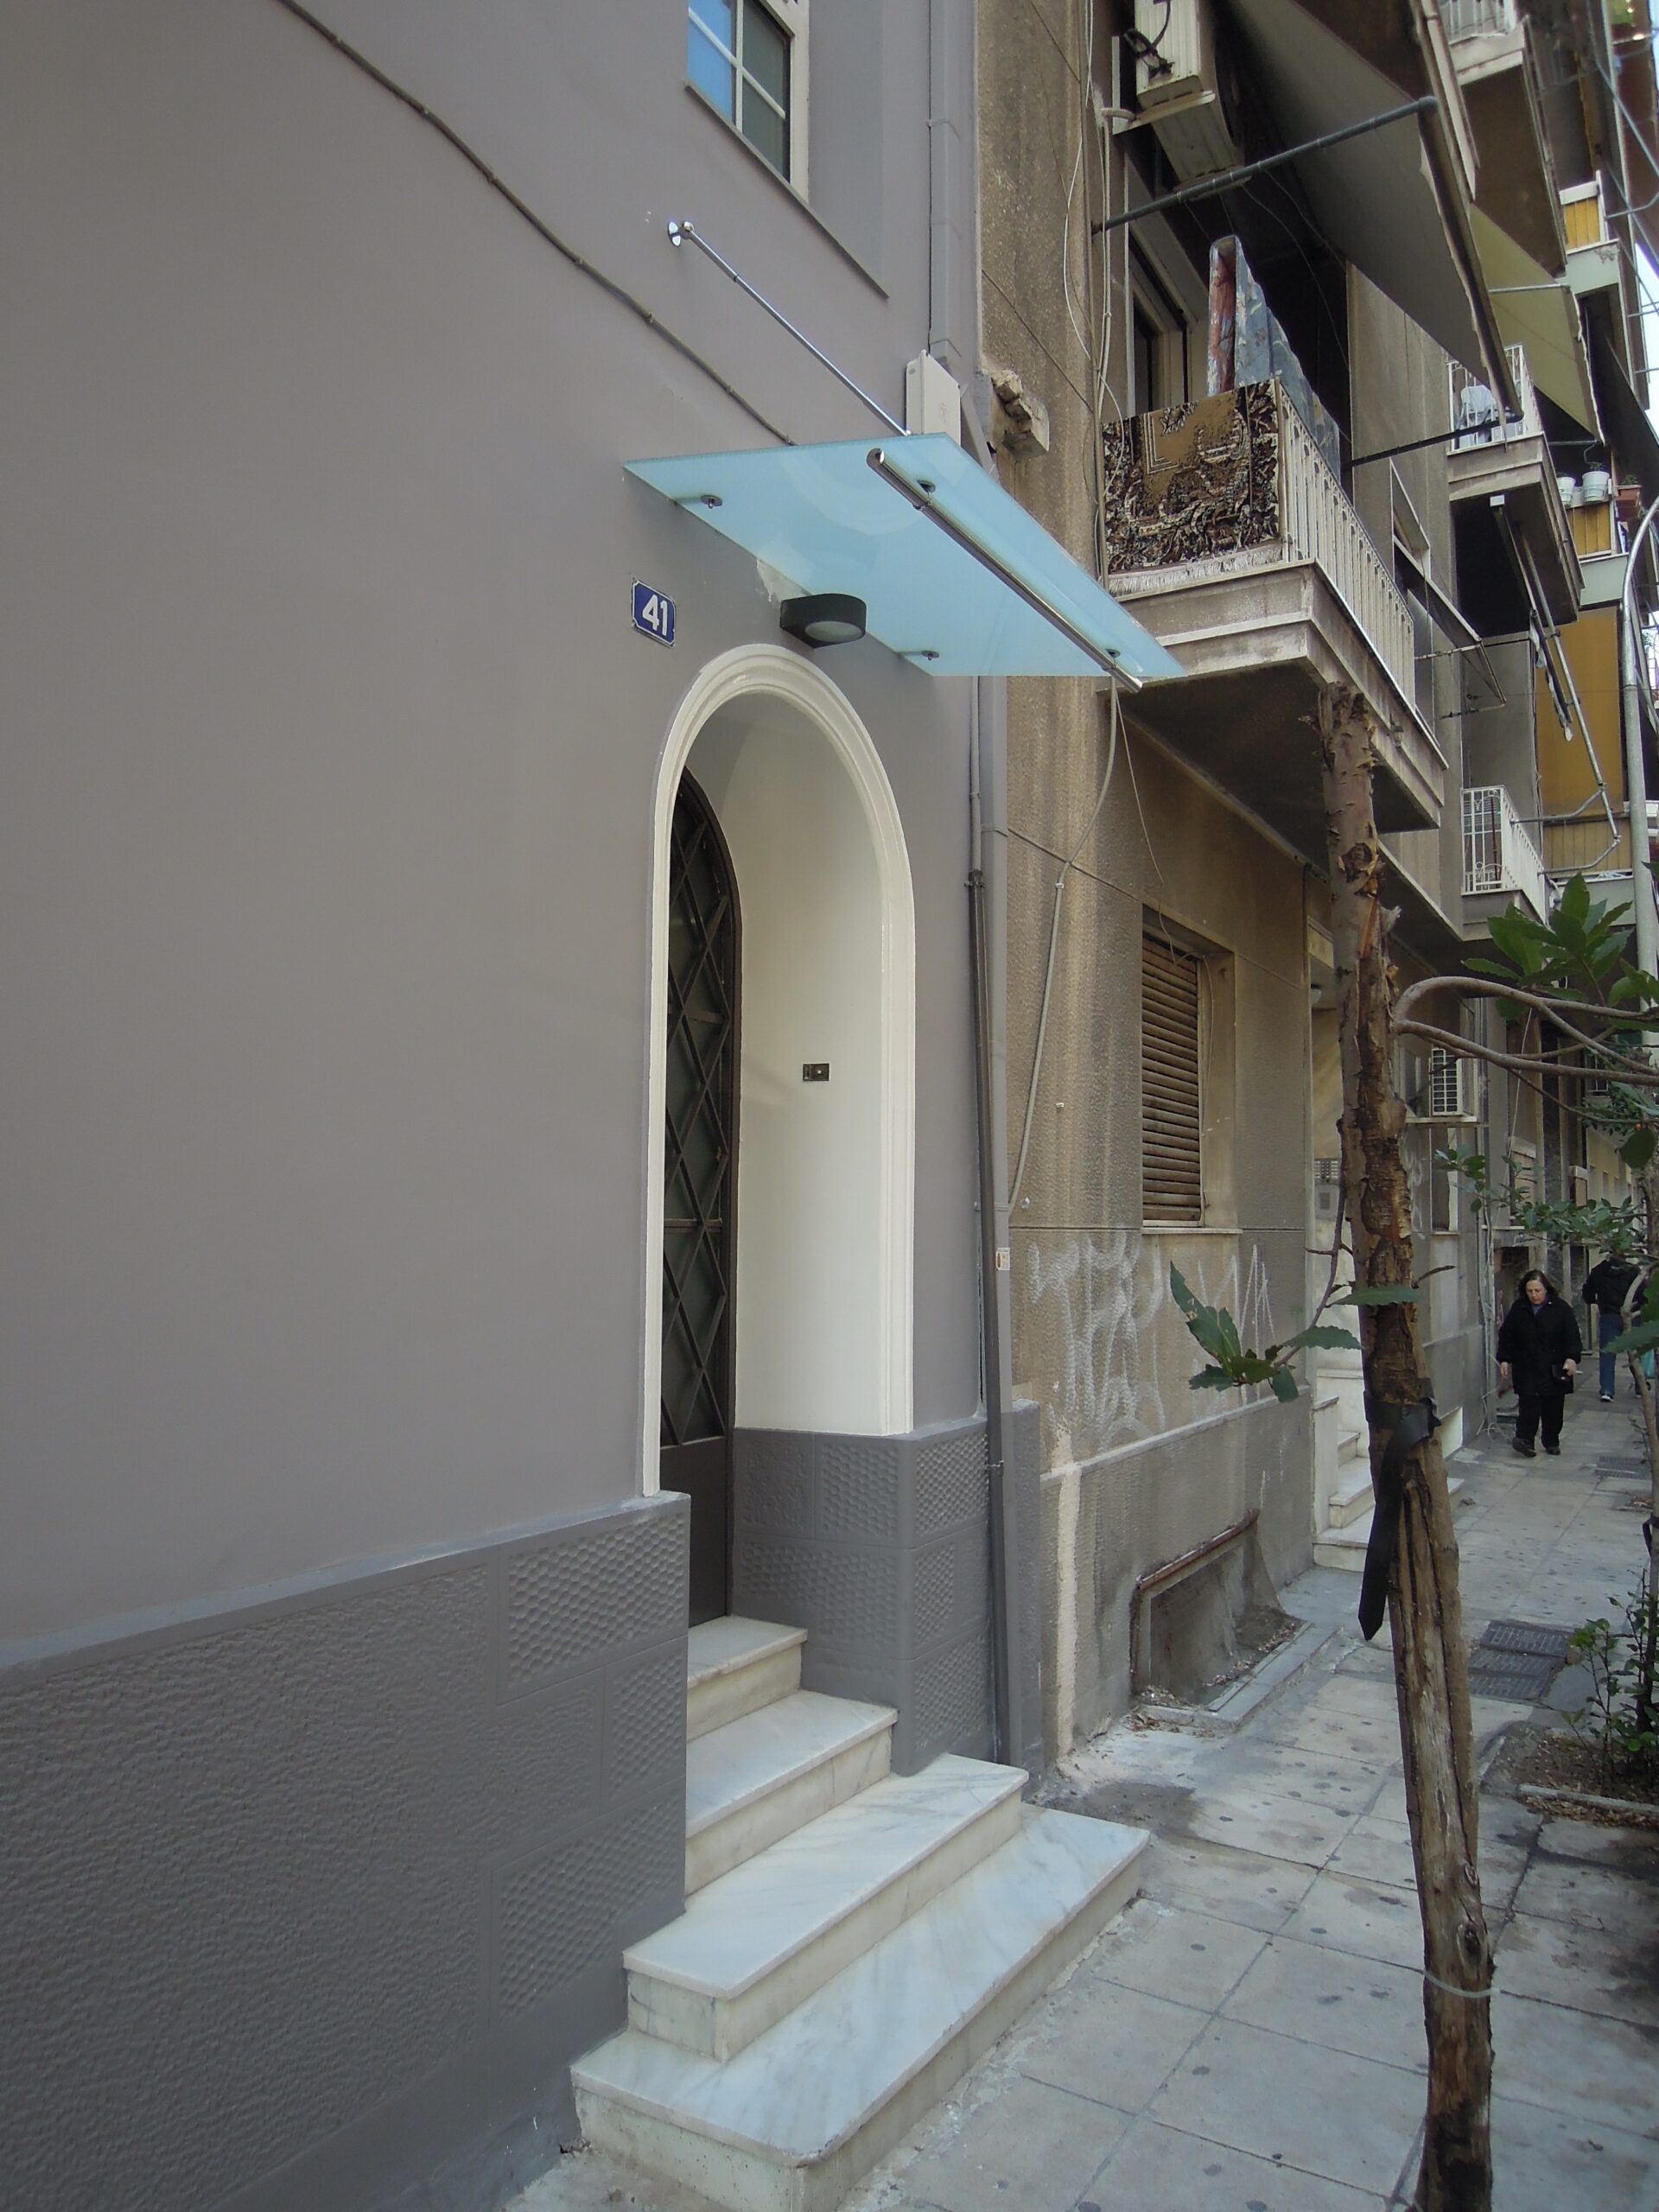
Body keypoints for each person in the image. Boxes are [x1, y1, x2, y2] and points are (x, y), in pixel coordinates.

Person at [1497, 1269, 1582, 1457]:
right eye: (1530, 1291)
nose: (1534, 1295)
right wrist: (1504, 1358)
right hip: (1527, 1366)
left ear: (1546, 1289)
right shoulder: (1520, 1308)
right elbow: (1507, 1335)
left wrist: (1571, 1358)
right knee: (1528, 1405)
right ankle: (1525, 1440)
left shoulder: (1560, 1309)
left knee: (1553, 1407)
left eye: (1537, 1291)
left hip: (1553, 1367)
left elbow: (1572, 1336)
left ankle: (1551, 1440)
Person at [1581, 1249, 1640, 1401]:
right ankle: (1640, 1385)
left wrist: (1597, 1302)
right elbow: (1643, 1294)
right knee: (1634, 1353)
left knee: (1607, 1354)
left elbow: (1587, 1293)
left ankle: (1607, 1390)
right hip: (1631, 1315)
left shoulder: (1598, 1271)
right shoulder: (1634, 1272)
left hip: (1608, 1315)